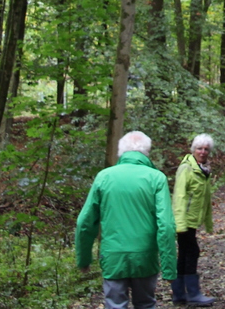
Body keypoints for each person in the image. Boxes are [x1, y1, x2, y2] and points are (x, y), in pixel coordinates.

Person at [75, 131, 177, 309]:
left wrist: (84, 258)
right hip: (145, 257)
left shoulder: (104, 177)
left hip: (113, 256)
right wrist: (169, 267)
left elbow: (84, 222)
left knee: (115, 305)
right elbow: (166, 225)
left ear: (120, 151)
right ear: (146, 152)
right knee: (145, 304)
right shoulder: (156, 178)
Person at [172, 134, 216, 307]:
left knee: (184, 254)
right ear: (193, 149)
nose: (203, 152)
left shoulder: (202, 169)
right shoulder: (187, 169)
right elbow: (180, 196)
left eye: (206, 149)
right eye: (200, 148)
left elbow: (205, 200)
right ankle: (192, 294)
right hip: (185, 220)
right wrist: (180, 223)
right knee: (191, 252)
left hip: (192, 220)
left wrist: (208, 223)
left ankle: (179, 295)